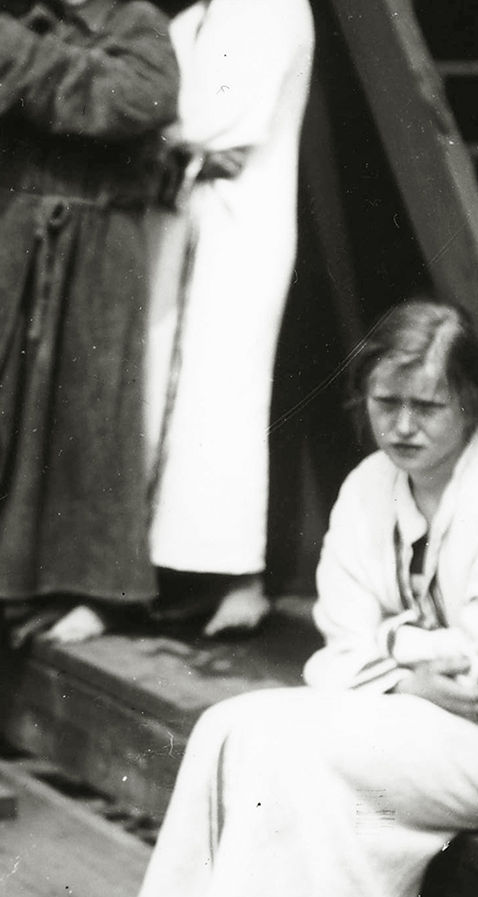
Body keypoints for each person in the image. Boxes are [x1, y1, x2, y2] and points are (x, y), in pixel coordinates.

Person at [124, 300, 478, 897]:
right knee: (231, 722)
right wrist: (408, 669)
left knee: (310, 750)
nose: (403, 427)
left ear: (470, 402)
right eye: (387, 403)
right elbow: (339, 637)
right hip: (410, 712)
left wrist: (384, 650)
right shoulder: (368, 487)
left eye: (428, 406)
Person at [0, 0, 179, 642]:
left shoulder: (138, 23)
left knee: (94, 416)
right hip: (20, 238)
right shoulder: (35, 22)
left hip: (101, 243)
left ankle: (101, 592)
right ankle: (9, 582)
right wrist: (70, 74)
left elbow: (140, 100)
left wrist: (23, 69)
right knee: (7, 406)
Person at [142, 0, 315, 637]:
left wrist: (153, 139)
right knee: (165, 392)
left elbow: (225, 140)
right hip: (181, 218)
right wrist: (161, 138)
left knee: (224, 395)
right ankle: (180, 572)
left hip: (244, 225)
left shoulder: (273, 8)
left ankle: (242, 582)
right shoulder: (190, 20)